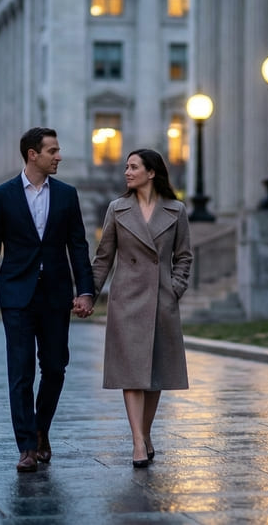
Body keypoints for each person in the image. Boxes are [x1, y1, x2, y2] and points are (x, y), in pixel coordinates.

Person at [0, 127, 94, 472]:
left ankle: (41, 427)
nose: (59, 156)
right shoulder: (2, 195)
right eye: (53, 151)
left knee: (56, 367)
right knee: (21, 371)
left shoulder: (67, 195)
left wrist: (85, 290)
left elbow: (78, 245)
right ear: (33, 154)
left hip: (56, 294)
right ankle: (27, 446)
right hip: (16, 295)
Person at [80, 148, 193, 468]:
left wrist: (175, 288)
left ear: (151, 172)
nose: (126, 172)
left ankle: (145, 432)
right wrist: (88, 294)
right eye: (126, 167)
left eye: (133, 167)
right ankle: (138, 441)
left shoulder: (176, 210)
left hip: (160, 299)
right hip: (127, 300)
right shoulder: (117, 209)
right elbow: (103, 258)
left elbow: (184, 256)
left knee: (155, 374)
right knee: (132, 373)